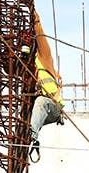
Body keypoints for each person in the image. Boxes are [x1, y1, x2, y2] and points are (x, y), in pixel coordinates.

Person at [28, 13, 65, 162]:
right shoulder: (27, 68)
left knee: (41, 102)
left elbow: (40, 37)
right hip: (39, 111)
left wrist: (35, 20)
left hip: (53, 106)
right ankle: (28, 134)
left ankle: (32, 134)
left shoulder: (43, 58)